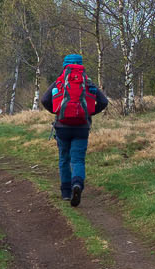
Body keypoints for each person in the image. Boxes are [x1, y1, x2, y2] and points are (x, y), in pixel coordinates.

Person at [38, 53, 108, 206]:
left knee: (64, 159)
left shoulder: (60, 81)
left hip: (62, 127)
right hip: (82, 127)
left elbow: (44, 99)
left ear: (65, 65)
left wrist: (57, 111)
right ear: (81, 65)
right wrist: (89, 113)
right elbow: (103, 101)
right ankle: (77, 184)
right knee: (77, 160)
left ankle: (65, 193)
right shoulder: (87, 81)